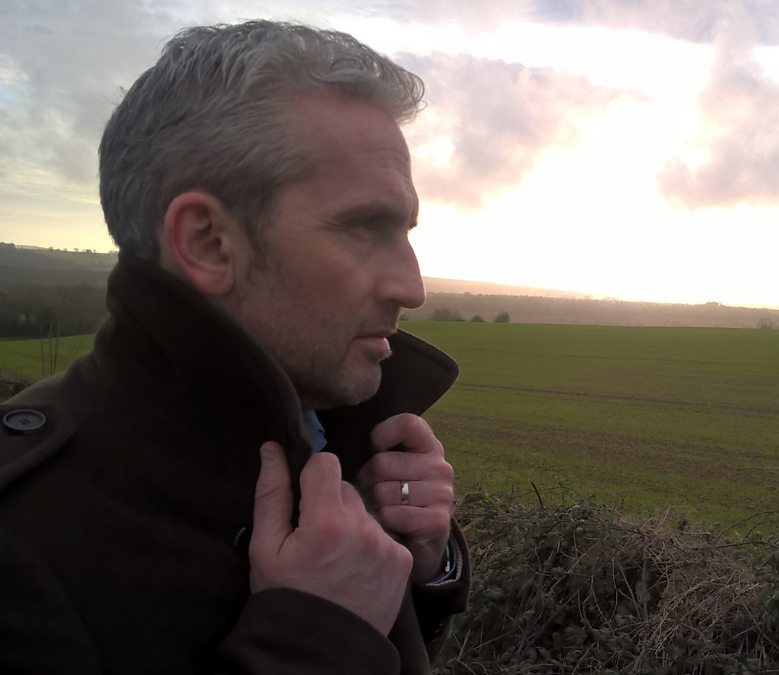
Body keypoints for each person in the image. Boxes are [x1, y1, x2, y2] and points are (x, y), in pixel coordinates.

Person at [0, 20, 467, 674]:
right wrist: (316, 640)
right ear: (208, 243)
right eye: (367, 226)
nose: (411, 288)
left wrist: (421, 569)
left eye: (405, 231)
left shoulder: (335, 436)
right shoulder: (21, 542)